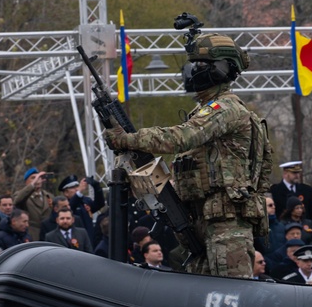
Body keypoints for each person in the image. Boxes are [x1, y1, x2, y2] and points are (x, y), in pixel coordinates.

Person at [104, 32, 266, 278]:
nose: (193, 70)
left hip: (226, 221)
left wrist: (129, 138)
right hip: (201, 218)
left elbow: (181, 137)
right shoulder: (203, 110)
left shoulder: (225, 108)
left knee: (231, 294)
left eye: (201, 65)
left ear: (222, 68)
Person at [270, 162, 312, 237]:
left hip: (304, 231)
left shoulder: (306, 190)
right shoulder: (275, 190)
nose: (297, 176)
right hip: (284, 231)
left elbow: (311, 213)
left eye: (298, 173)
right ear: (285, 173)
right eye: (294, 173)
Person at [14, 168, 53, 241]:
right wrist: (32, 185)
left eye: (39, 177)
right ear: (26, 182)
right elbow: (17, 201)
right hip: (32, 234)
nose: (37, 180)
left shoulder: (48, 196)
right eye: (33, 178)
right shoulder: (22, 196)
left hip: (48, 234)